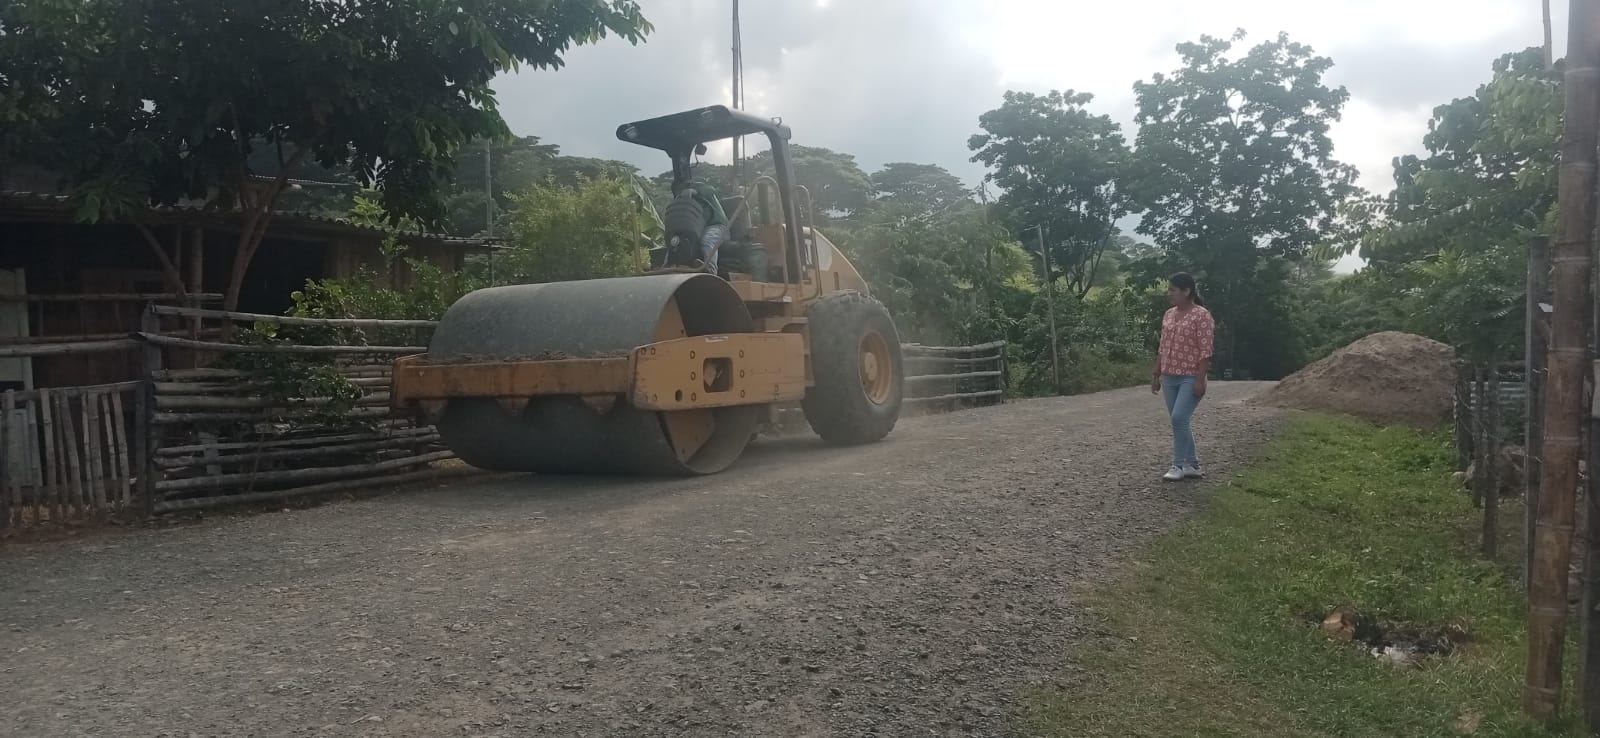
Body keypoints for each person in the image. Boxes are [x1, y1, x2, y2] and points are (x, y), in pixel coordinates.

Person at [1150, 272, 1214, 482]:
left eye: (1173, 290)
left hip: (1190, 376)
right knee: (1180, 421)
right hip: (1169, 376)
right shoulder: (1169, 314)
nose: (1169, 294)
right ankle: (1192, 464)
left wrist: (1200, 380)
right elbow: (1163, 346)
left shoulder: (1201, 315)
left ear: (1187, 291)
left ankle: (1177, 465)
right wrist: (1156, 374)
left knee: (1178, 418)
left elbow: (1205, 351)